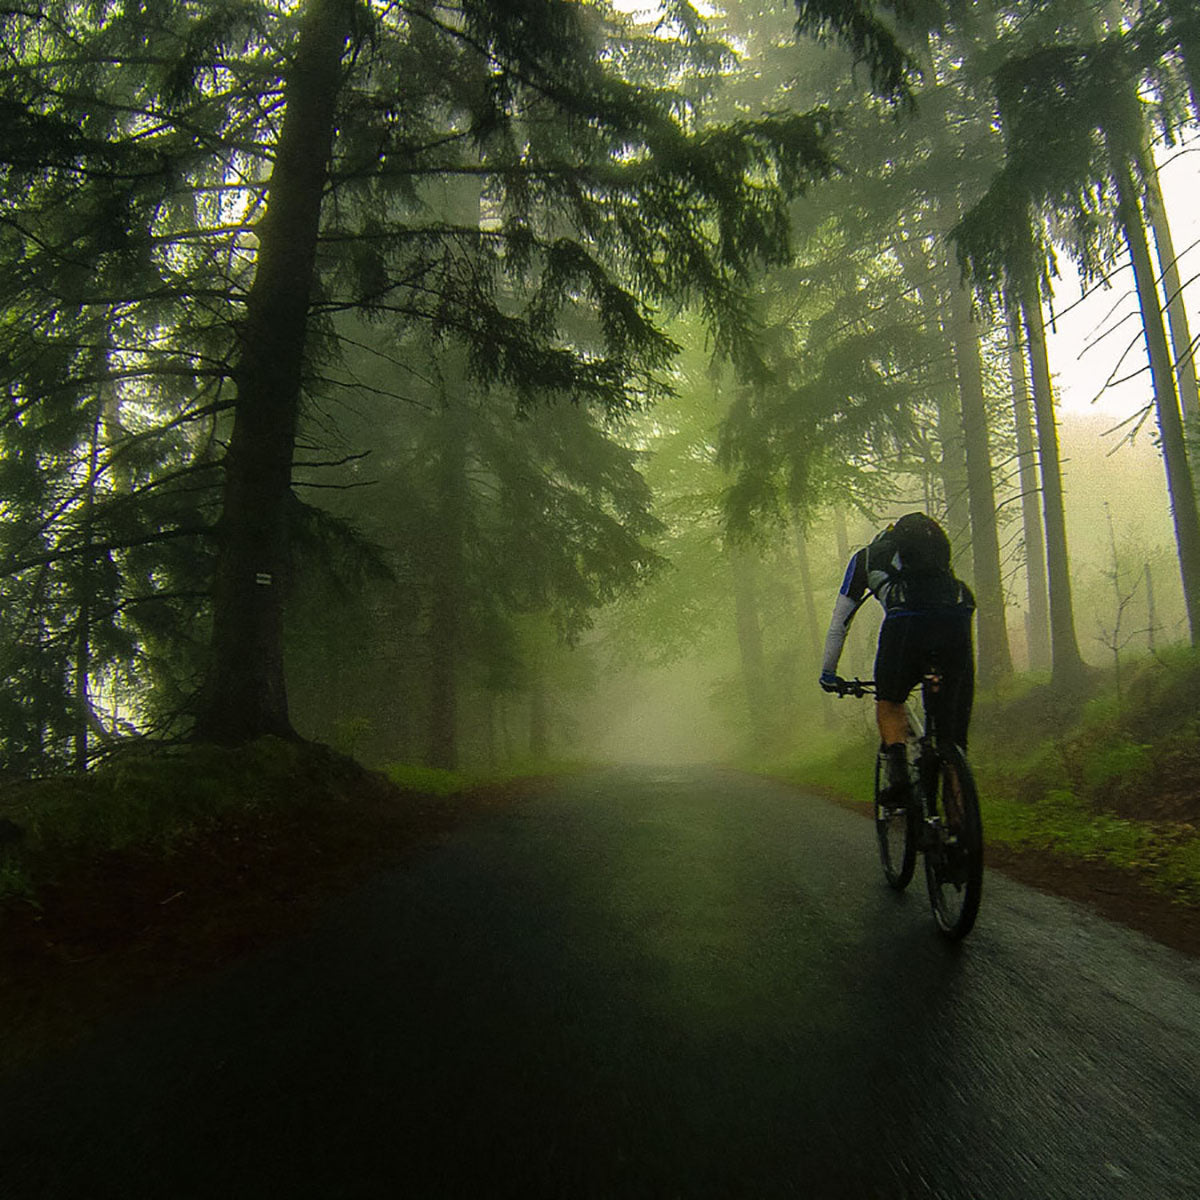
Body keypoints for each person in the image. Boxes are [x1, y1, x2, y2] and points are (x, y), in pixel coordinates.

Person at [818, 512, 975, 806]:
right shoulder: (935, 557)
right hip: (957, 619)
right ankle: (960, 822)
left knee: (890, 702)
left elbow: (840, 622)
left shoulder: (865, 558)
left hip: (905, 624)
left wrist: (828, 673)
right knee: (951, 739)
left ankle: (899, 776)